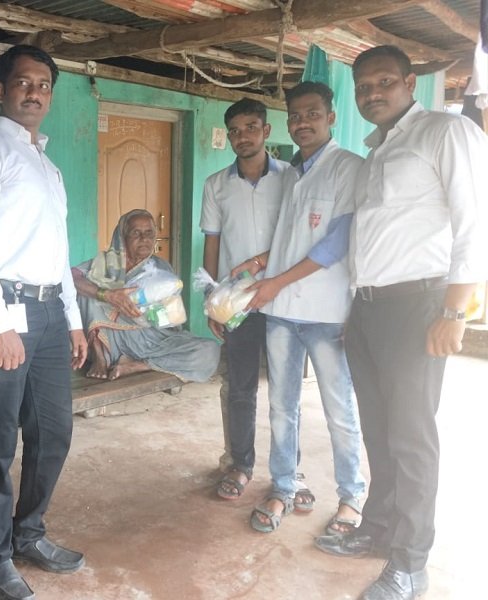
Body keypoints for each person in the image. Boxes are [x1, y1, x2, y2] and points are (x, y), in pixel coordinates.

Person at [314, 45, 488, 600]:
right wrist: (354, 309)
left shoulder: (445, 132)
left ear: (410, 83)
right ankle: (378, 529)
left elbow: (475, 223)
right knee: (379, 429)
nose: (372, 94)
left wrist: (455, 311)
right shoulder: (377, 150)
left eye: (384, 82)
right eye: (363, 87)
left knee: (411, 438)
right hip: (368, 309)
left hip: (419, 306)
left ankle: (410, 565)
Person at [0, 45, 88, 600]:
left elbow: (59, 250)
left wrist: (73, 319)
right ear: (0, 90)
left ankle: (27, 532)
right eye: (23, 82)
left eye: (44, 85)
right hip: (4, 311)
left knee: (54, 431)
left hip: (51, 312)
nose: (34, 93)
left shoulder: (48, 166)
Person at [242, 81, 365, 535]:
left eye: (312, 114)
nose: (302, 123)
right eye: (294, 116)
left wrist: (275, 281)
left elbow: (335, 244)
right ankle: (283, 485)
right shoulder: (293, 174)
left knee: (338, 408)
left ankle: (351, 497)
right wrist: (260, 263)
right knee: (281, 406)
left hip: (325, 313)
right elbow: (290, 237)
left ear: (331, 117)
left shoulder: (349, 167)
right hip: (282, 312)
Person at [199, 98, 288, 499]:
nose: (243, 137)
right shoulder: (216, 185)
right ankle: (241, 464)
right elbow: (212, 244)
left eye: (251, 127)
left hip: (284, 298)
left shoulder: (291, 179)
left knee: (285, 390)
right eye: (235, 131)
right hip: (238, 305)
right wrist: (211, 300)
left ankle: (289, 471)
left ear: (266, 131)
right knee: (240, 387)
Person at [72, 209, 220, 383]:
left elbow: (173, 318)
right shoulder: (103, 263)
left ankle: (136, 365)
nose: (144, 239)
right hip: (110, 340)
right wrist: (106, 295)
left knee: (209, 351)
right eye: (136, 233)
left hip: (151, 339)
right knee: (87, 289)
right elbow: (70, 277)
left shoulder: (160, 267)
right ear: (122, 236)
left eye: (149, 233)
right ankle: (100, 357)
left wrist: (150, 314)